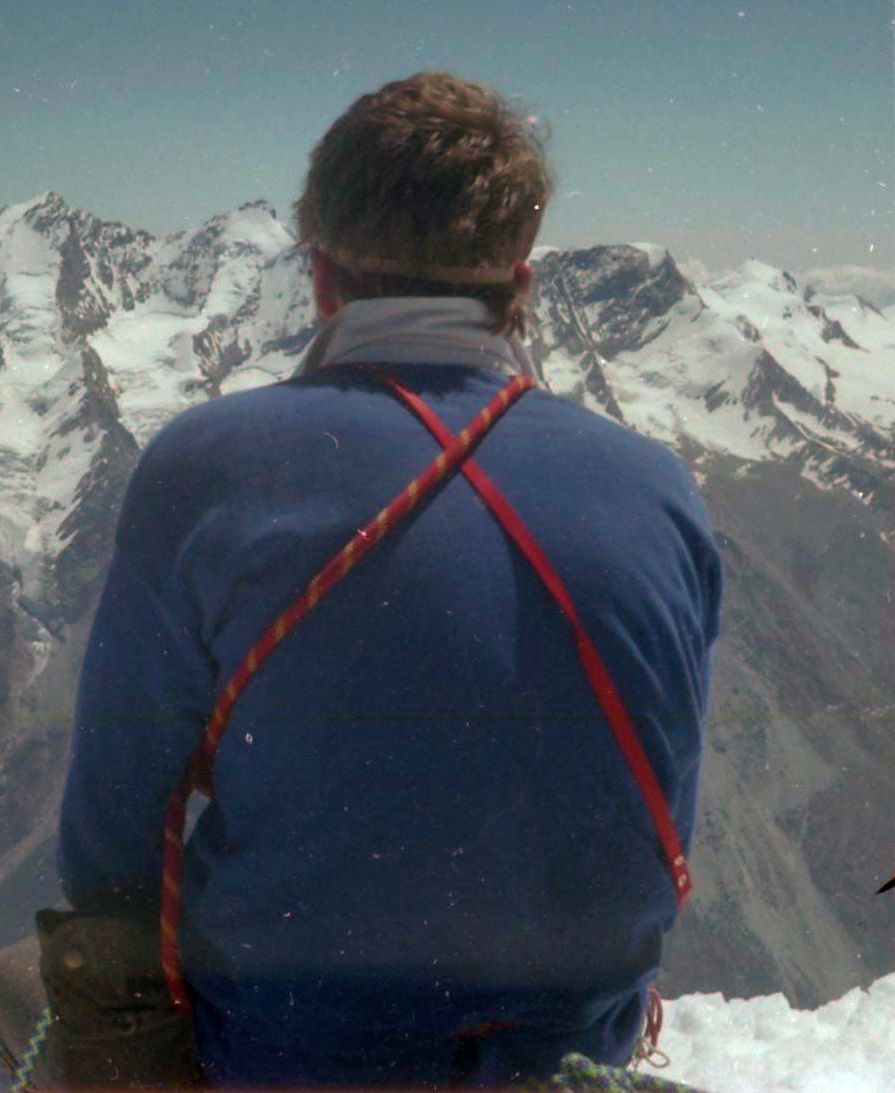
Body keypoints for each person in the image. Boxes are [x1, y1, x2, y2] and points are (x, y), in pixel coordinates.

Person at [55, 71, 722, 1087]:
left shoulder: (207, 467)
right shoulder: (658, 487)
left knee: (25, 981)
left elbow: (112, 839)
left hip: (286, 1052)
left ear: (320, 279)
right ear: (523, 282)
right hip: (570, 1051)